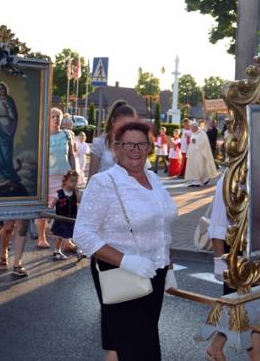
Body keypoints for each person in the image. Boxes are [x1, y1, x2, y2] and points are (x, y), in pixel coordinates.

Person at [74, 120, 178, 361]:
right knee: (143, 351)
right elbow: (82, 234)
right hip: (120, 274)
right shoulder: (104, 183)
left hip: (155, 273)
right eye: (129, 144)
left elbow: (161, 227)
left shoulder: (154, 179)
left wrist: (169, 266)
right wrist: (125, 261)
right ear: (116, 148)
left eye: (142, 144)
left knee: (123, 348)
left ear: (149, 147)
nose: (136, 150)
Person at [206, 174, 260, 361]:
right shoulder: (229, 176)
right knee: (246, 309)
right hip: (236, 252)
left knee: (251, 307)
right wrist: (219, 262)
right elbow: (217, 223)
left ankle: (215, 347)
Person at [35, 108, 76, 249]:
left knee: (67, 208)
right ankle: (41, 238)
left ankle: (67, 240)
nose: (56, 119)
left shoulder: (67, 135)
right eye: (52, 116)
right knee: (44, 208)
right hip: (47, 178)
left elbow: (71, 155)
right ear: (47, 119)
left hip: (64, 177)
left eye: (58, 116)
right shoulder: (42, 136)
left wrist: (74, 173)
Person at [88, 100, 137, 180]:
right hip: (104, 186)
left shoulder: (136, 145)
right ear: (113, 121)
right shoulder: (100, 143)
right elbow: (92, 176)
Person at [51, 170, 84, 261]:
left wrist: (77, 192)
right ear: (65, 181)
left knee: (73, 235)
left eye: (75, 181)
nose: (74, 183)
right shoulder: (59, 193)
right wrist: (50, 215)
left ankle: (78, 250)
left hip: (72, 219)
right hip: (61, 219)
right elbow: (52, 204)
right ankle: (57, 251)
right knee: (60, 236)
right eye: (72, 181)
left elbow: (79, 201)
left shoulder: (74, 193)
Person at [184, 122, 218, 187]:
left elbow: (204, 142)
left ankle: (200, 180)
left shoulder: (202, 133)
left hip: (199, 153)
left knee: (199, 167)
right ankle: (196, 180)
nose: (191, 129)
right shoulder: (194, 134)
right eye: (191, 128)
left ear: (195, 127)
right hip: (193, 154)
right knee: (194, 167)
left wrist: (196, 142)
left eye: (192, 127)